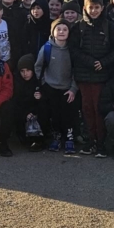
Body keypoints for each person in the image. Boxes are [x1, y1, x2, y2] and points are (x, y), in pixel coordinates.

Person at [70, 0, 114, 157]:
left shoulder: (109, 26)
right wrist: (89, 61)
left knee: (99, 109)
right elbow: (73, 49)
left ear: (102, 8)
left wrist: (104, 62)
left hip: (102, 76)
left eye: (97, 7)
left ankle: (101, 142)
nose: (93, 11)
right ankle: (91, 140)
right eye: (90, 7)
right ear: (85, 8)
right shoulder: (78, 27)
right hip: (84, 76)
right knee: (87, 109)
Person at [35, 17, 80, 153]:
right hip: (51, 87)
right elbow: (38, 67)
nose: (61, 32)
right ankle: (56, 136)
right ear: (53, 32)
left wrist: (73, 88)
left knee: (68, 115)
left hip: (68, 89)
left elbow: (77, 71)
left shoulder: (73, 50)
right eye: (58, 29)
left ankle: (69, 138)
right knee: (54, 114)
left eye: (65, 29)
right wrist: (43, 83)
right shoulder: (46, 48)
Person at [12, 54, 44, 151]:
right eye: (22, 71)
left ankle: (41, 139)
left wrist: (41, 97)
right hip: (22, 113)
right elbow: (16, 102)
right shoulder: (16, 82)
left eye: (28, 70)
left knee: (43, 107)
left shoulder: (39, 81)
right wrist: (25, 114)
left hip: (35, 112)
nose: (25, 74)